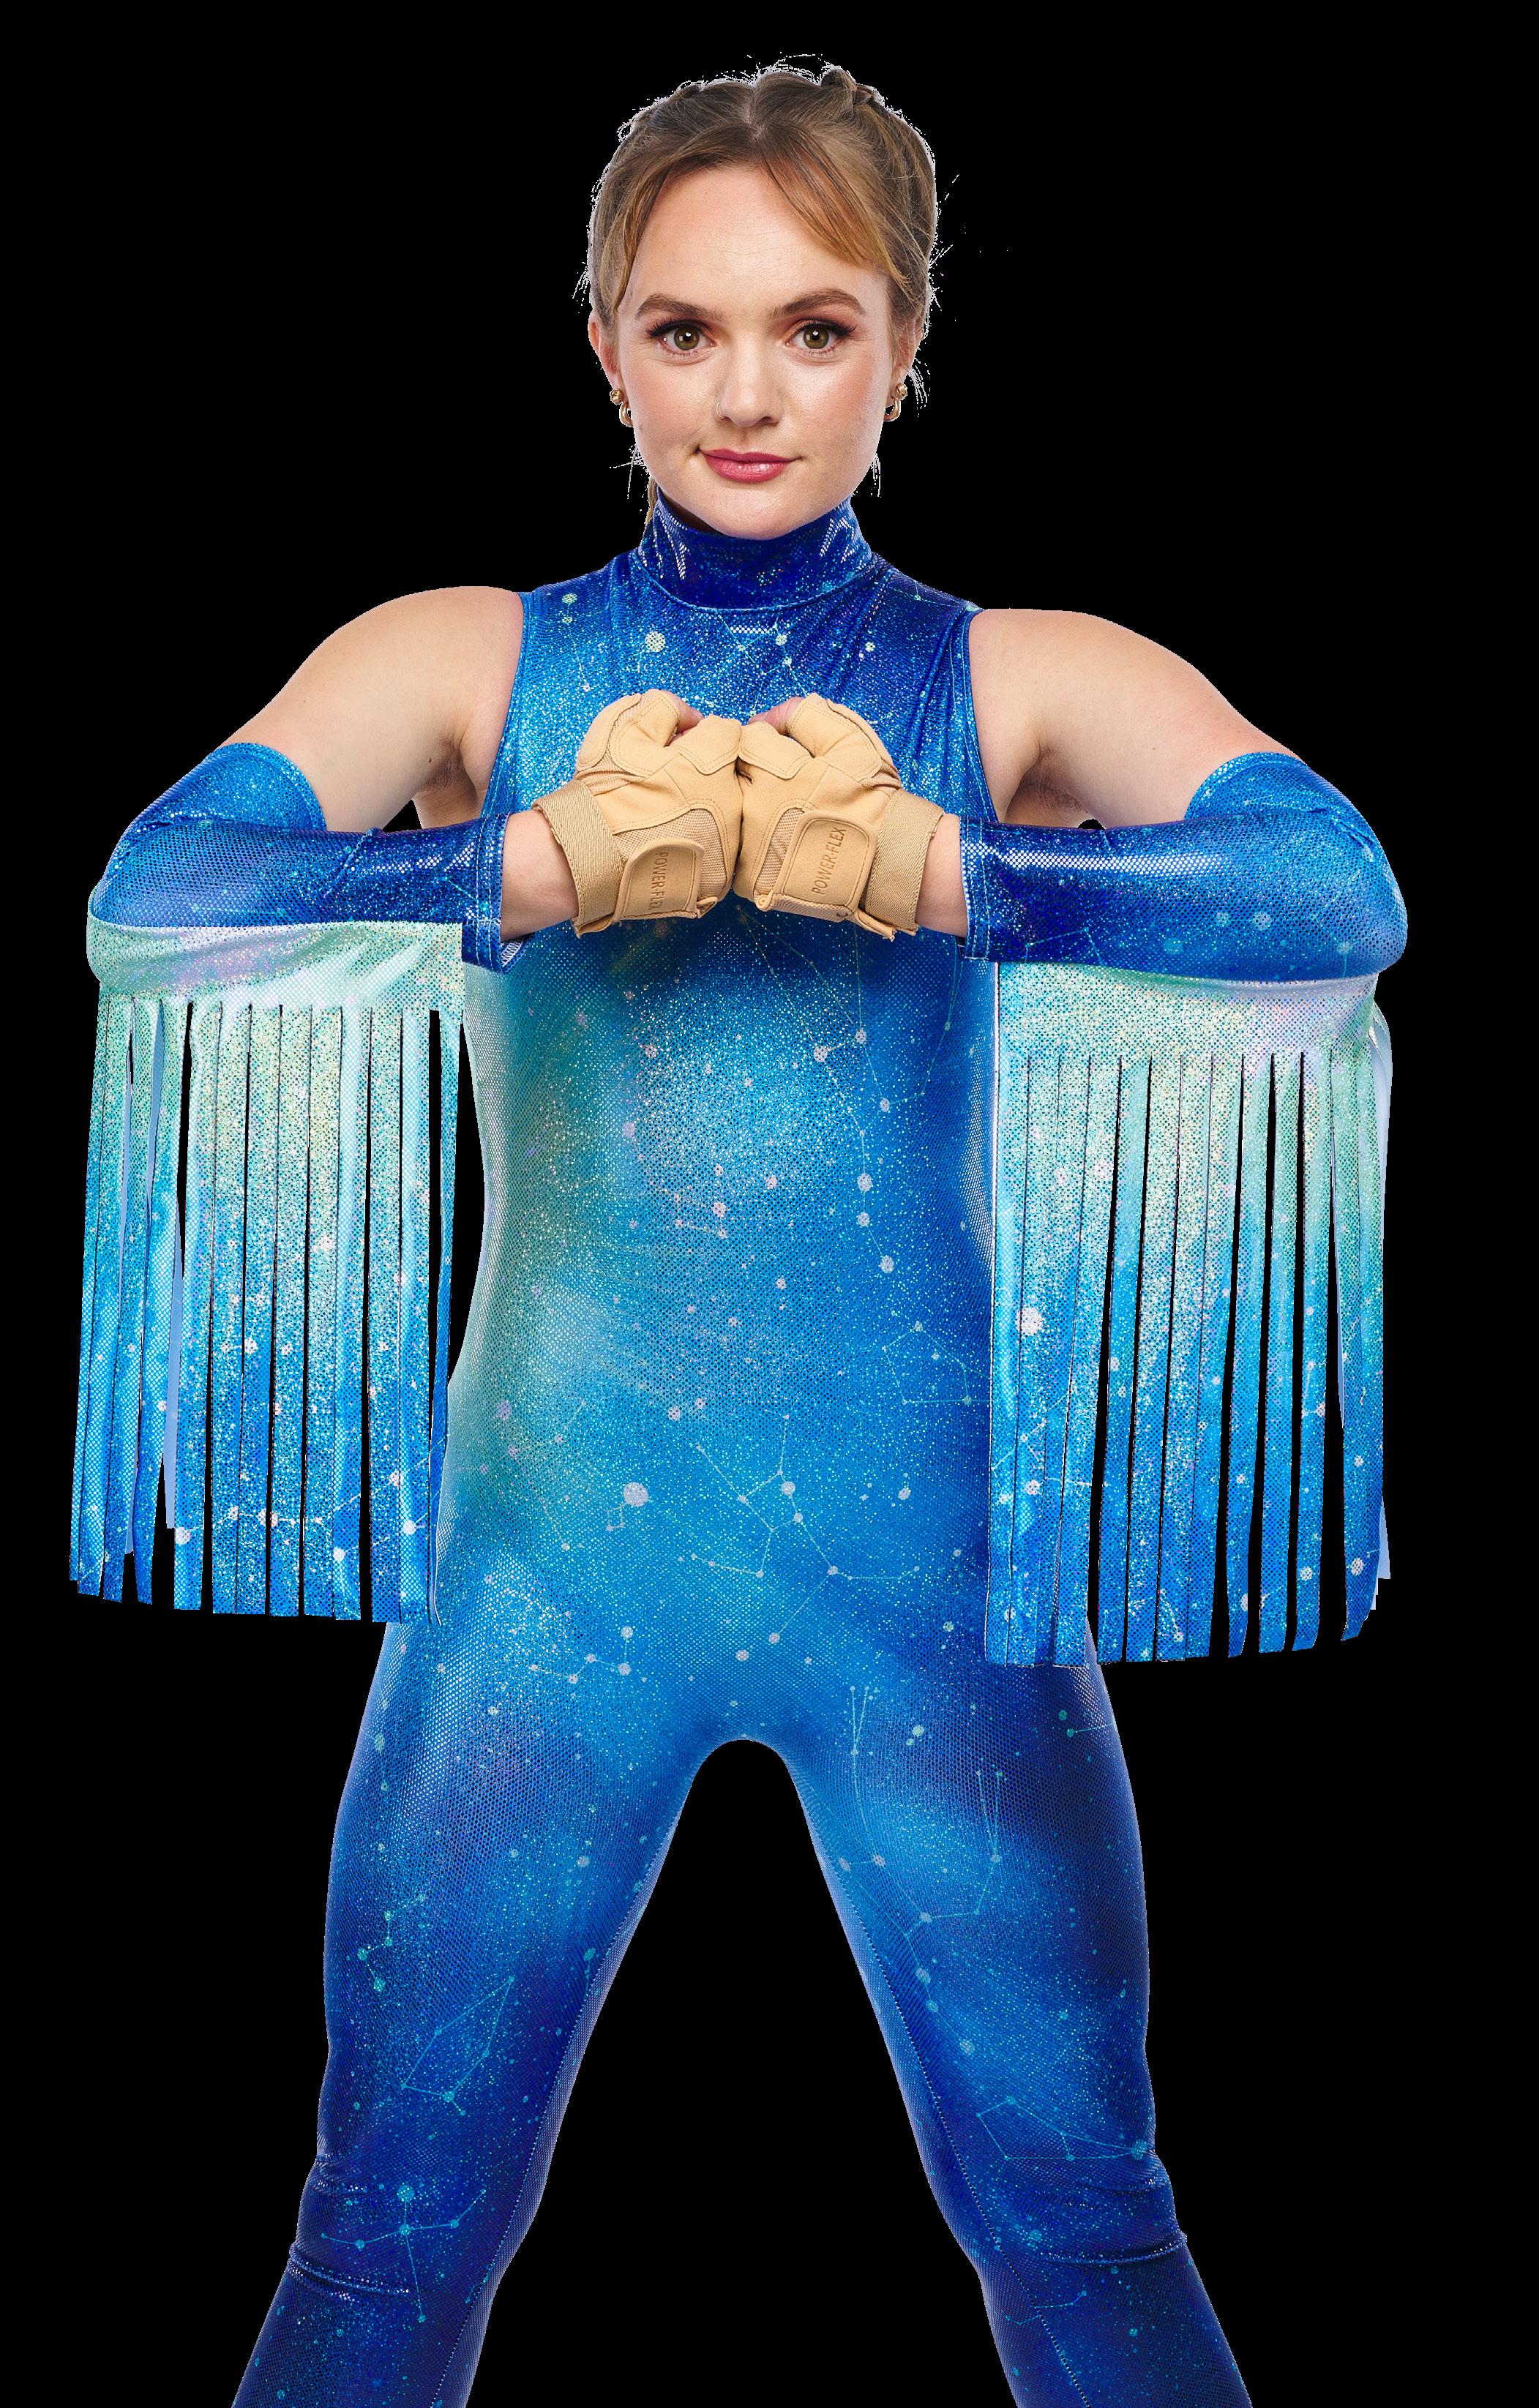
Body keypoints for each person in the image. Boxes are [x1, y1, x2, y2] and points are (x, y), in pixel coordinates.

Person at [71, 62, 1405, 2408]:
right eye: (685, 329)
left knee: (1083, 2207)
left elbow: (1336, 893)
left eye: (815, 327)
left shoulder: (1017, 680)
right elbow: (159, 898)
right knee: (387, 2218)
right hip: (543, 1579)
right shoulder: (471, 662)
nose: (747, 392)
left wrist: (946, 867)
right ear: (604, 343)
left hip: (934, 1583)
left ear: (908, 344)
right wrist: (530, 862)